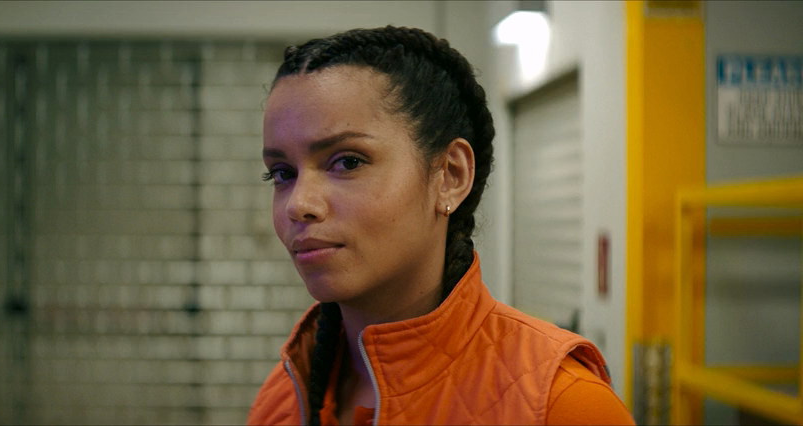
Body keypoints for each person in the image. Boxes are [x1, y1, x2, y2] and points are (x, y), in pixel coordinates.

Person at [248, 26, 635, 425]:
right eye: (282, 173)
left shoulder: (562, 403)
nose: (299, 205)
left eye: (348, 162)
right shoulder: (283, 396)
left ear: (450, 175)